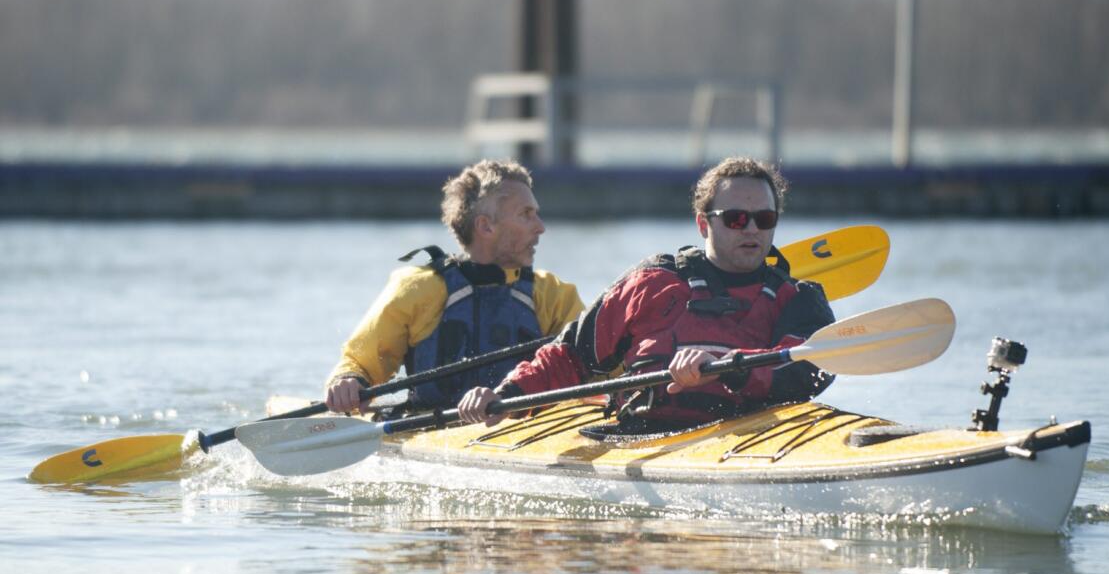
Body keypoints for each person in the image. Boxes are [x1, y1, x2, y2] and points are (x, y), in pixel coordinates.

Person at [457, 156, 835, 430]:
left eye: (764, 220)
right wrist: (505, 395)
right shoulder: (651, 282)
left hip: (744, 433)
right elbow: (571, 356)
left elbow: (806, 371)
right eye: (736, 219)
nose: (751, 229)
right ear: (703, 224)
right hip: (640, 433)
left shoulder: (799, 299)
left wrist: (724, 363)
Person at [324, 159, 584, 414]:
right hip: (433, 428)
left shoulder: (555, 296)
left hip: (531, 429)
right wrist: (347, 381)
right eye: (526, 215)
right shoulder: (417, 289)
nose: (540, 227)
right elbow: (360, 362)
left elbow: (596, 365)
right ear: (486, 226)